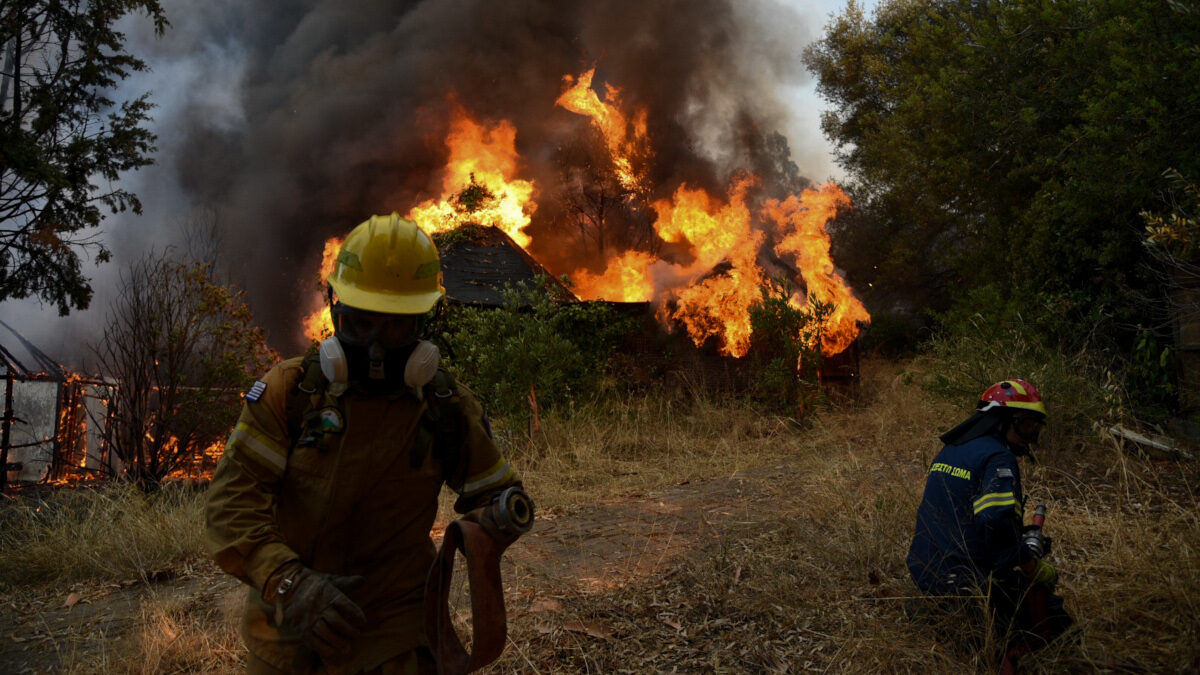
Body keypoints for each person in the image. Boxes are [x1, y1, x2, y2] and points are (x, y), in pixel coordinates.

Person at [205, 214, 531, 674]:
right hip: (287, 634)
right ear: (335, 312)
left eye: (396, 328)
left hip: (392, 640)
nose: (377, 349)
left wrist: (499, 516)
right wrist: (288, 582)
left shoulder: (444, 405)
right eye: (361, 324)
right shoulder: (289, 392)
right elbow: (230, 506)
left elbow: (494, 493)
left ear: (423, 323)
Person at [906, 379, 1073, 667]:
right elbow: (996, 524)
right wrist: (1031, 565)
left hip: (923, 571)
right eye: (1026, 425)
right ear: (1001, 421)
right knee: (1055, 617)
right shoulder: (999, 458)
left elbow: (965, 517)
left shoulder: (953, 449)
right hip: (963, 583)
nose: (1030, 437)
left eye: (1036, 428)